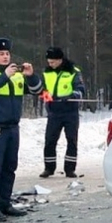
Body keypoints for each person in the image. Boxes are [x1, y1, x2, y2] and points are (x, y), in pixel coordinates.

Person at [0, 37, 42, 220]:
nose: (5, 56)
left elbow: (37, 91)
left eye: (7, 53)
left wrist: (31, 76)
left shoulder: (16, 74)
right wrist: (4, 76)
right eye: (1, 53)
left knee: (10, 166)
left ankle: (5, 202)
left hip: (12, 126)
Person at [39, 47, 87, 178]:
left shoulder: (73, 71)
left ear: (60, 60)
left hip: (70, 111)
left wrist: (70, 96)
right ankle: (49, 168)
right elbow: (42, 89)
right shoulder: (46, 72)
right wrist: (45, 96)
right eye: (49, 62)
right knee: (50, 140)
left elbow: (81, 90)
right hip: (53, 112)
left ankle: (70, 169)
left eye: (53, 62)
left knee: (71, 140)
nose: (50, 64)